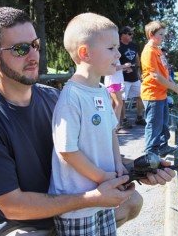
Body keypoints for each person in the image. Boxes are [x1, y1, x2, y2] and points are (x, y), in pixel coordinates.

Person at [0, 7, 175, 235]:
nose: (33, 56)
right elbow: (13, 207)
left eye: (35, 45)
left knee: (132, 201)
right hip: (14, 225)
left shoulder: (53, 98)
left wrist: (138, 170)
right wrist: (91, 198)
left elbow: (88, 152)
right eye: (20, 49)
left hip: (57, 210)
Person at [49, 12, 132, 235]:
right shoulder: (71, 97)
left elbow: (111, 131)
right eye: (111, 48)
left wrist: (117, 165)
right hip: (78, 204)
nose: (118, 54)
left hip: (104, 196)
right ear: (85, 53)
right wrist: (102, 177)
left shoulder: (102, 92)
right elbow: (67, 150)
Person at [140, 21, 178, 157]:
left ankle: (163, 147)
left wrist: (176, 84)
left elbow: (164, 71)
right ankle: (150, 153)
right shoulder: (149, 51)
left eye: (164, 34)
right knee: (154, 126)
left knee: (164, 124)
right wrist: (175, 89)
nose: (163, 37)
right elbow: (155, 76)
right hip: (152, 95)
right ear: (150, 35)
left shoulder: (158, 50)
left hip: (162, 95)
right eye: (160, 34)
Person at [119, 26, 146, 128]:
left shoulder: (134, 45)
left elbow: (137, 58)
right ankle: (124, 120)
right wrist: (123, 68)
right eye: (130, 34)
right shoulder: (118, 47)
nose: (132, 36)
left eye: (132, 34)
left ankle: (139, 117)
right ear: (123, 34)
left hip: (134, 77)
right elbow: (114, 63)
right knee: (122, 99)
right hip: (123, 78)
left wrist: (139, 71)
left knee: (141, 95)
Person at [104, 60, 132, 134]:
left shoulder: (114, 54)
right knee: (119, 103)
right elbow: (113, 68)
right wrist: (125, 65)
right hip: (113, 82)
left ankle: (111, 126)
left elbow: (117, 68)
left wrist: (124, 69)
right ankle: (117, 127)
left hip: (116, 82)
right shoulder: (111, 55)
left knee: (113, 105)